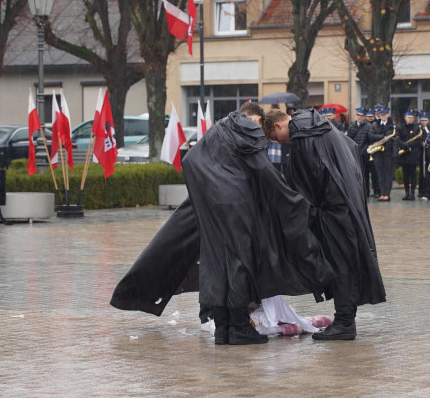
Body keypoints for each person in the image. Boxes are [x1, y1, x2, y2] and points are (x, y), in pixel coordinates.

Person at [110, 102, 332, 345]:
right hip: (236, 206)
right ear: (258, 120)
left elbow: (190, 160)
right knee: (240, 263)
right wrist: (292, 200)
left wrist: (206, 191)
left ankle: (223, 329)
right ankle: (239, 327)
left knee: (215, 264)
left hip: (210, 206)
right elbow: (264, 171)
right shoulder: (249, 129)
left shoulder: (218, 129)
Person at [264, 108, 387, 340]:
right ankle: (345, 320)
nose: (278, 143)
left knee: (341, 266)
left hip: (331, 211)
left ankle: (344, 323)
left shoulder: (303, 136)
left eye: (274, 137)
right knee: (346, 262)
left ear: (278, 125)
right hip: (345, 204)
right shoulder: (321, 125)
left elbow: (307, 181)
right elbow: (351, 151)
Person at [369, 104, 395, 201]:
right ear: (379, 115)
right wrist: (382, 137)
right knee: (380, 174)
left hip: (388, 153)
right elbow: (371, 135)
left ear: (388, 115)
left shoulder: (392, 125)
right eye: (381, 115)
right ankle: (382, 193)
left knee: (388, 174)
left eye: (385, 114)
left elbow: (393, 138)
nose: (383, 116)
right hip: (378, 153)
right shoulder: (375, 125)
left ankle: (387, 194)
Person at [397, 110, 423, 200]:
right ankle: (406, 193)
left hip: (413, 154)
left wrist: (409, 145)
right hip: (404, 154)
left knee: (413, 175)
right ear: (405, 118)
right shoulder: (400, 127)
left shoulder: (417, 127)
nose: (410, 119)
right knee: (405, 175)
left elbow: (418, 140)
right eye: (408, 117)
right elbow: (397, 138)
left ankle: (412, 193)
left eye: (412, 117)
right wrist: (403, 145)